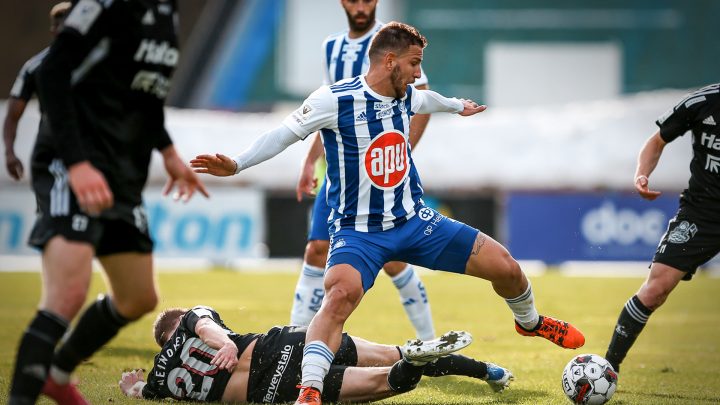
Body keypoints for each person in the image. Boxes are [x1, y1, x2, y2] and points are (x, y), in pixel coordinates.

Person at [190, 21, 584, 405]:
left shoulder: (405, 95)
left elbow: (427, 100)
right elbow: (283, 133)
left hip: (414, 221)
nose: (418, 73)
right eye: (414, 64)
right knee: (339, 296)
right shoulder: (334, 99)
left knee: (507, 267)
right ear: (391, 60)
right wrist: (237, 163)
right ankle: (310, 390)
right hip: (359, 232)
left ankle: (530, 322)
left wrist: (455, 106)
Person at [8, 1, 209, 404]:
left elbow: (147, 93)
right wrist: (78, 163)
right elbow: (51, 71)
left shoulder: (167, 12)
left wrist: (168, 153)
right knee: (67, 294)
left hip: (121, 172)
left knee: (138, 298)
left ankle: (57, 375)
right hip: (74, 161)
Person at [290, 0, 435, 341]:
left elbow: (422, 97)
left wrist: (400, 150)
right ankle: (292, 337)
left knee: (392, 258)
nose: (360, 5)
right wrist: (310, 159)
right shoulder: (332, 46)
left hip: (381, 173)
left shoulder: (391, 41)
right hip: (341, 171)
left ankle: (430, 342)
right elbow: (329, 110)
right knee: (316, 249)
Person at [118, 305, 513, 403]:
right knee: (387, 352)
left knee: (386, 382)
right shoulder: (192, 320)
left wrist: (133, 386)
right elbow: (206, 326)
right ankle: (488, 371)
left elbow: (138, 393)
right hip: (292, 343)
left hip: (277, 387)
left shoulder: (159, 381)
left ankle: (411, 364)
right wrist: (223, 343)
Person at [605, 83, 720, 374]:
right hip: (702, 212)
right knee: (656, 288)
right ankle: (608, 367)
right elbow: (656, 142)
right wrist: (642, 174)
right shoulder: (700, 102)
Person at [3, 2, 71, 180]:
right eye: (58, 26)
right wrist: (9, 153)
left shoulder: (100, 63)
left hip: (95, 154)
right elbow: (12, 115)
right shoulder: (35, 67)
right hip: (54, 155)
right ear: (52, 30)